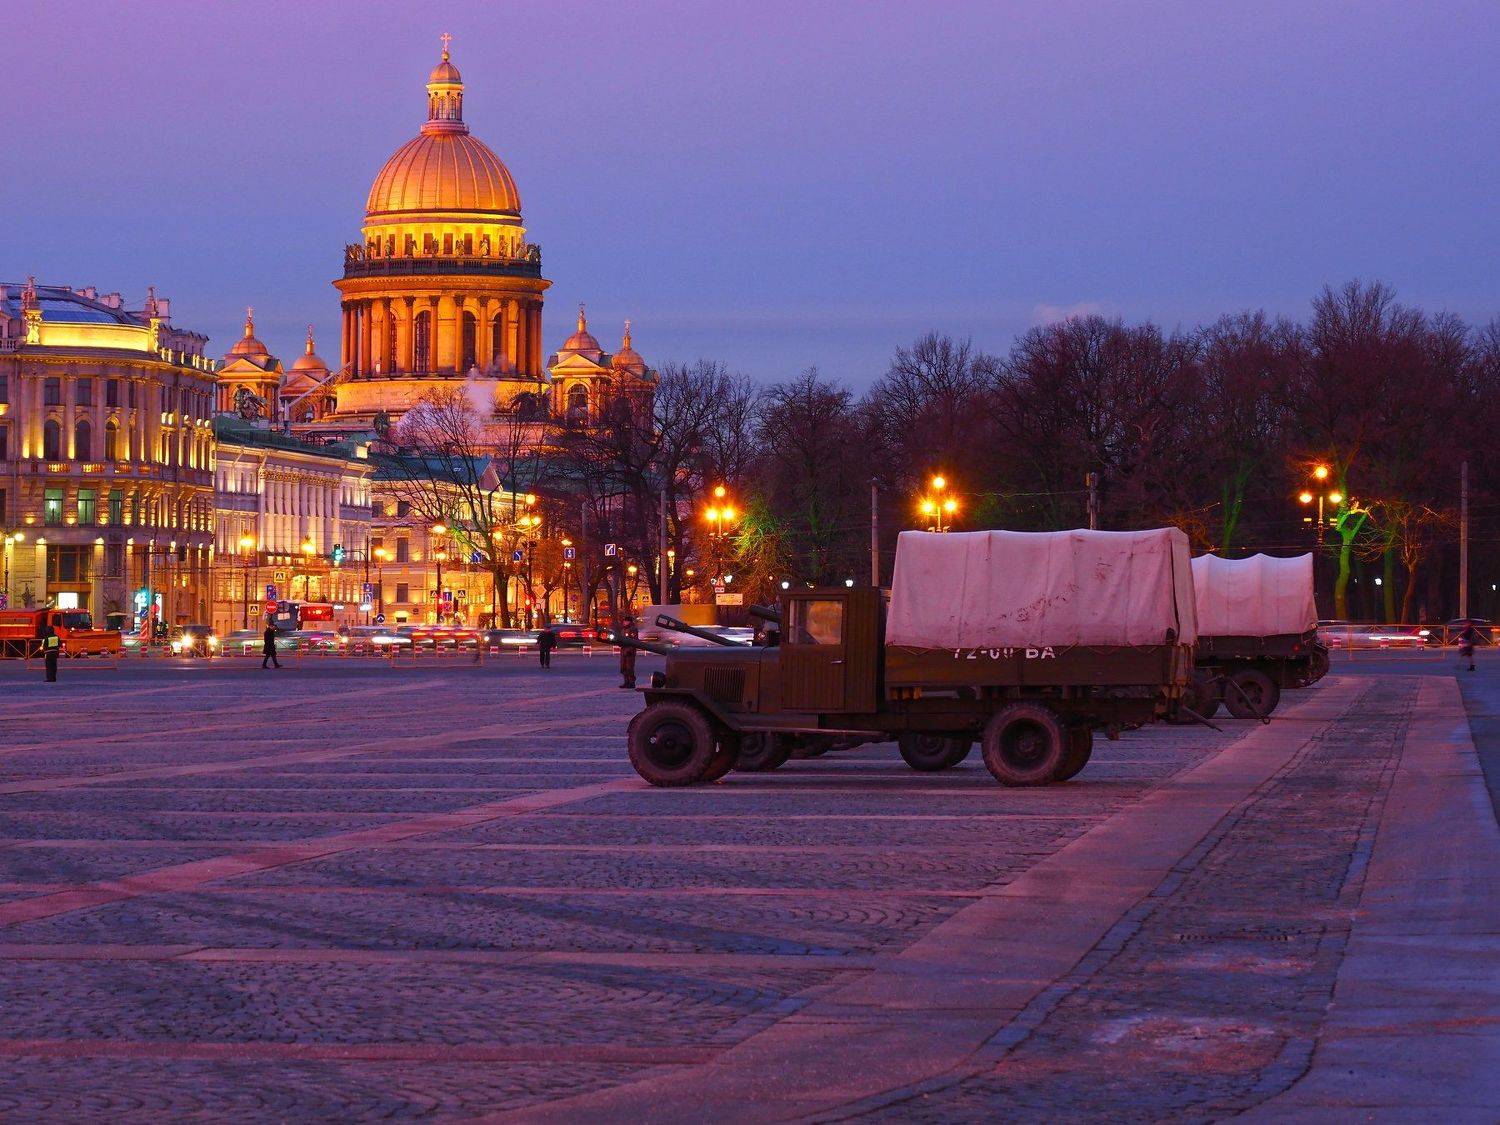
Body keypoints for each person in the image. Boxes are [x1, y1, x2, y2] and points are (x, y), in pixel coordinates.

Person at [618, 619, 638, 689]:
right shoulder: (623, 630)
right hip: (623, 651)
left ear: (629, 622)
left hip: (630, 652)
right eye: (623, 621)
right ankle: (626, 682)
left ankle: (631, 682)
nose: (624, 622)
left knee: (629, 668)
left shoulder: (633, 629)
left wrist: (630, 650)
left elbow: (634, 641)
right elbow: (620, 639)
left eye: (625, 621)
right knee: (623, 668)